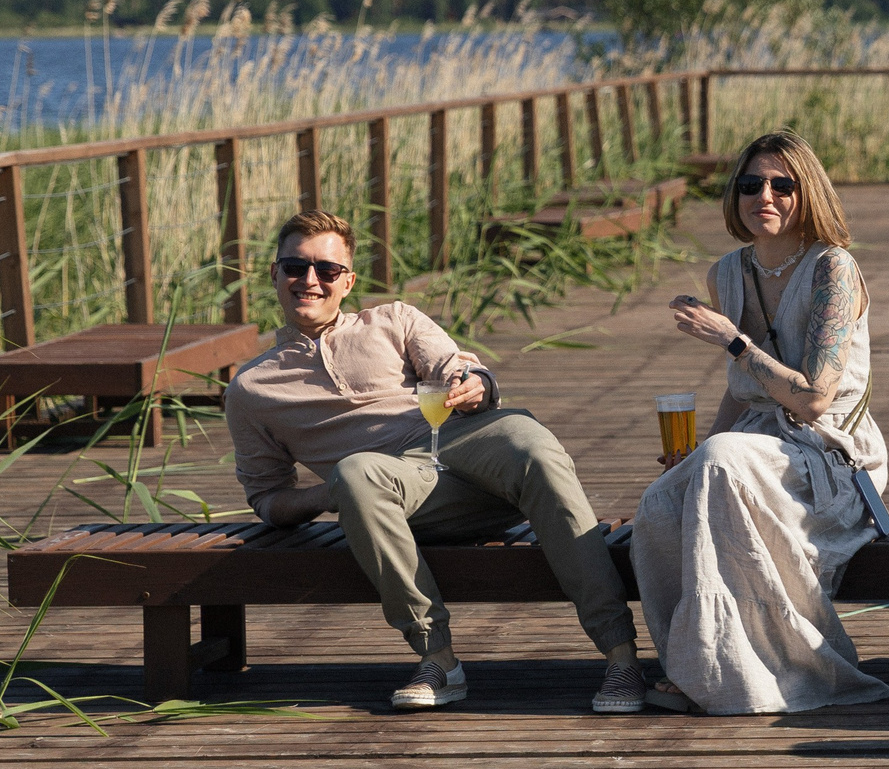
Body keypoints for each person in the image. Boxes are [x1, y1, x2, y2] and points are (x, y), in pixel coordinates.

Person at [224, 209, 641, 714]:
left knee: (531, 441)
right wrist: (332, 489)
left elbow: (458, 366)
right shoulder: (252, 388)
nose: (309, 280)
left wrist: (477, 384)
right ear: (274, 274)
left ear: (348, 281)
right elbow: (269, 499)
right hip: (401, 488)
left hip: (465, 440)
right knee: (357, 470)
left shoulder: (394, 319)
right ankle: (439, 661)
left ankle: (621, 656)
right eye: (295, 267)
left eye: (327, 270)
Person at [631, 128, 889, 716]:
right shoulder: (727, 274)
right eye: (751, 184)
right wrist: (694, 450)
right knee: (660, 504)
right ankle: (694, 658)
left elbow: (817, 398)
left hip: (828, 455)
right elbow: (743, 394)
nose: (764, 196)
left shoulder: (833, 270)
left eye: (782, 185)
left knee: (723, 464)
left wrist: (734, 340)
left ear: (809, 194)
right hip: (753, 445)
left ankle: (767, 669)